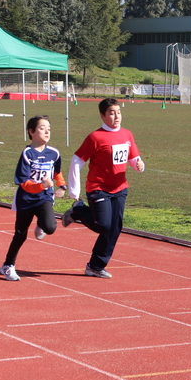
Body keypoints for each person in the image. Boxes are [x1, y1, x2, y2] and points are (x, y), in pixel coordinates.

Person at [62, 98, 145, 278]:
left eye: (118, 112)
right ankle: (77, 210)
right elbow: (77, 161)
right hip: (98, 187)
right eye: (111, 113)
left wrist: (139, 165)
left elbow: (133, 158)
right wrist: (74, 191)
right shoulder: (95, 137)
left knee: (114, 228)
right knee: (103, 225)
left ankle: (95, 266)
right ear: (102, 116)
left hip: (120, 188)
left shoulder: (127, 134)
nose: (116, 116)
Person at [0, 116, 66, 281]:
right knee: (20, 234)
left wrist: (62, 185)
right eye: (42, 128)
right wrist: (40, 186)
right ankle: (8, 265)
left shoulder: (54, 153)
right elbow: (23, 182)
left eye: (49, 128)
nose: (47, 131)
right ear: (31, 132)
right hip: (26, 199)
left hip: (44, 197)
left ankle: (41, 224)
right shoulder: (27, 153)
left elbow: (56, 171)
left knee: (50, 227)